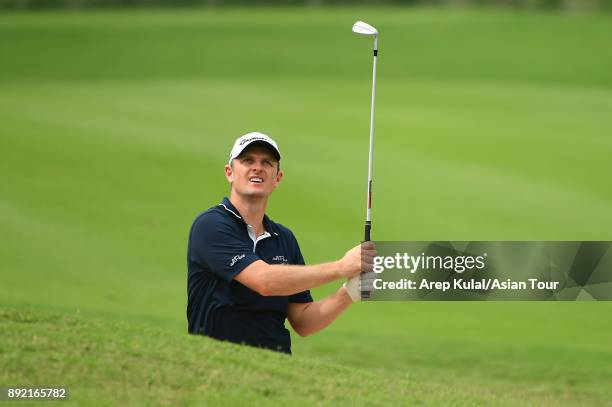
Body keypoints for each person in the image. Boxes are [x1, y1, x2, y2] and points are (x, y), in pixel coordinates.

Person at [187, 132, 376, 354]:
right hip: (216, 362)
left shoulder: (284, 238)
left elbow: (304, 321)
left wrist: (351, 291)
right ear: (229, 173)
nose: (257, 167)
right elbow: (264, 281)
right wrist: (340, 267)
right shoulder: (211, 225)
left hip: (276, 366)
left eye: (267, 162)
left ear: (278, 177)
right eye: (248, 160)